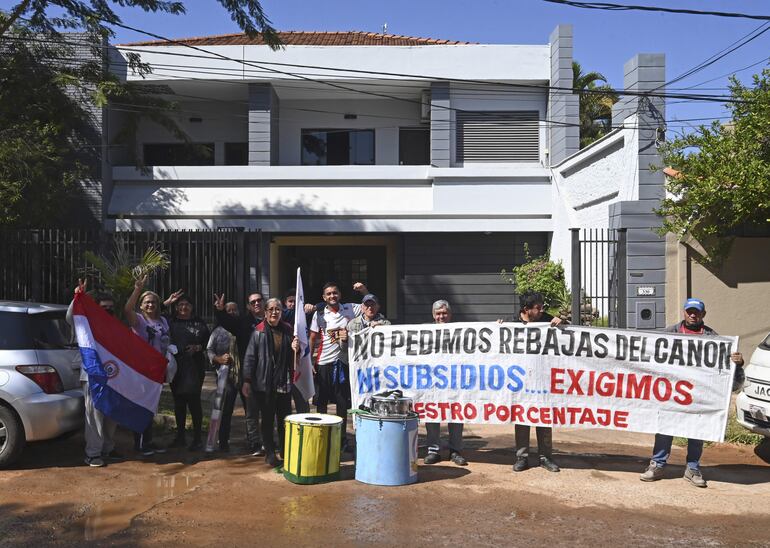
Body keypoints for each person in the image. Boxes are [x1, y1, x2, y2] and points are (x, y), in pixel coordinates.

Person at [640, 298, 744, 488]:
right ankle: (657, 464)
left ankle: (693, 468)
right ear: (684, 312)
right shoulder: (670, 333)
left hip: (699, 396)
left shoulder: (715, 339)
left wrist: (737, 364)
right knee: (665, 427)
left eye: (697, 312)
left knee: (697, 429)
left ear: (703, 314)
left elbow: (733, 382)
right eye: (689, 311)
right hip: (671, 393)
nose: (693, 315)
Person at [66, 280, 122, 467]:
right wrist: (78, 298)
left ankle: (108, 447)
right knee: (95, 414)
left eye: (111, 307)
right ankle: (93, 453)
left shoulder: (115, 325)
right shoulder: (86, 324)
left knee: (112, 415)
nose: (108, 310)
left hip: (113, 376)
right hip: (92, 374)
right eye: (104, 307)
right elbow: (71, 316)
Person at [309, 281, 369, 451]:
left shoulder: (350, 308)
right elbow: (313, 338)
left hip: (343, 363)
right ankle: (322, 438)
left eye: (335, 293)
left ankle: (342, 439)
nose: (332, 296)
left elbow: (369, 306)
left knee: (342, 404)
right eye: (328, 294)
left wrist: (363, 290)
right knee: (321, 404)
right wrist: (309, 361)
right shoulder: (319, 314)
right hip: (323, 363)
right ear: (324, 297)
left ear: (340, 295)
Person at [511, 291, 564, 473]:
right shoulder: (512, 324)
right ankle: (522, 457)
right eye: (538, 308)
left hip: (543, 379)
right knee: (522, 418)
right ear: (526, 310)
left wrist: (561, 323)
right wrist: (497, 328)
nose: (542, 311)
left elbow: (569, 336)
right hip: (521, 381)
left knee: (544, 417)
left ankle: (545, 457)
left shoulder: (547, 320)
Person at [242, 298, 299, 467]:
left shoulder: (288, 330)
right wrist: (246, 380)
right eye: (271, 309)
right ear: (266, 312)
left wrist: (297, 346)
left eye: (278, 309)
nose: (275, 312)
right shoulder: (258, 332)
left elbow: (295, 356)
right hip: (263, 383)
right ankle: (269, 452)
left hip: (284, 382)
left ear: (282, 312)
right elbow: (250, 358)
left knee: (284, 419)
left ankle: (284, 450)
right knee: (267, 420)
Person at [214, 291, 266, 455]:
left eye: (259, 300)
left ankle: (263, 441)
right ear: (248, 306)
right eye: (253, 302)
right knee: (242, 410)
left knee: (262, 410)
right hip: (242, 374)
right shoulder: (243, 322)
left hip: (265, 373)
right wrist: (220, 311)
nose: (256, 304)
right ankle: (234, 442)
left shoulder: (271, 320)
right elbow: (228, 323)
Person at [124, 276, 171, 457]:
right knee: (141, 405)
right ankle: (140, 443)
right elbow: (127, 309)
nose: (150, 305)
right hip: (141, 370)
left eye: (153, 302)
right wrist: (137, 290)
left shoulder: (163, 321)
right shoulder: (138, 321)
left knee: (151, 406)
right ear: (141, 305)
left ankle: (148, 439)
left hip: (157, 369)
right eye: (147, 302)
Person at [424, 300, 468, 466]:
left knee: (456, 414)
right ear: (433, 315)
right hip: (432, 381)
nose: (441, 316)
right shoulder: (425, 332)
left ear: (450, 314)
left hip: (455, 380)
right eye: (438, 313)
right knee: (432, 414)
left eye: (444, 313)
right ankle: (433, 451)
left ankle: (455, 451)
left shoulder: (460, 332)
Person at [165, 293, 210, 451]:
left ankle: (197, 438)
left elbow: (208, 342)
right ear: (176, 307)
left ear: (192, 307)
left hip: (194, 366)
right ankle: (181, 436)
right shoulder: (170, 321)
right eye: (180, 305)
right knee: (178, 402)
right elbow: (155, 316)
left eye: (187, 305)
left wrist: (198, 347)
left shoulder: (199, 322)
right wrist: (167, 302)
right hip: (176, 366)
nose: (184, 307)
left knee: (194, 401)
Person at [207, 301, 240, 452]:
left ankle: (254, 442)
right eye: (228, 310)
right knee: (226, 409)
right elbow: (209, 350)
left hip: (244, 375)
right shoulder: (218, 331)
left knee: (252, 410)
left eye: (234, 310)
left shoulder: (244, 328)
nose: (232, 312)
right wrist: (219, 359)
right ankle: (223, 441)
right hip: (226, 377)